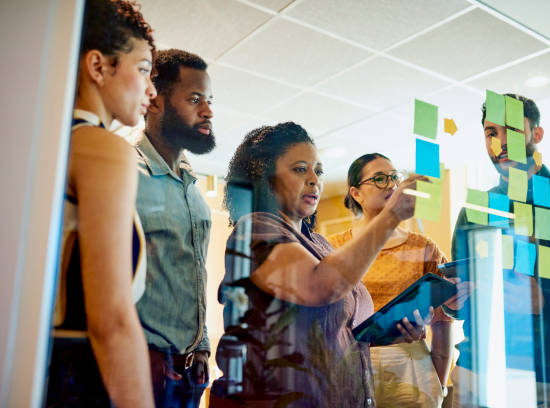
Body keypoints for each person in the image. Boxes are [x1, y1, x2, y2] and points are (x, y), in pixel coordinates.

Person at [210, 122, 423, 408]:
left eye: (318, 171)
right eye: (300, 169)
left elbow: (343, 329)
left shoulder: (321, 244)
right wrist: (391, 216)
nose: (314, 180)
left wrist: (390, 331)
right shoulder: (255, 230)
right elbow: (321, 286)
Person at [446, 93, 550, 407]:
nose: (500, 142)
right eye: (491, 132)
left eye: (510, 129)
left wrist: (548, 301)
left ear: (537, 134)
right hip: (479, 371)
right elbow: (463, 299)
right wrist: (454, 301)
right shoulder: (475, 212)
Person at [45, 0, 157, 406]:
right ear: (98, 67)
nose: (151, 89)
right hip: (77, 381)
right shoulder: (103, 148)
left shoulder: (48, 146)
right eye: (143, 69)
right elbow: (111, 320)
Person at [327, 153, 454, 408]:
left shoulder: (424, 248)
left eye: (394, 177)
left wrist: (437, 382)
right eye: (380, 179)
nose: (391, 185)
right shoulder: (335, 247)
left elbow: (443, 323)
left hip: (412, 362)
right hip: (352, 364)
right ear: (356, 193)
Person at [134, 48, 214, 408]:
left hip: (188, 374)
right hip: (140, 366)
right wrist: (135, 351)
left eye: (209, 100)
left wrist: (202, 347)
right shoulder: (125, 173)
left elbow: (194, 272)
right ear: (154, 101)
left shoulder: (193, 188)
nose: (208, 110)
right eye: (194, 98)